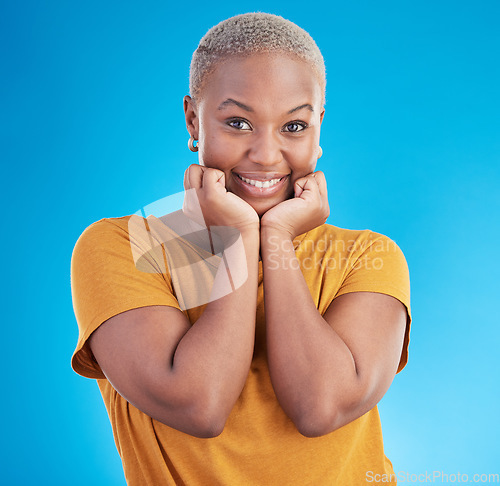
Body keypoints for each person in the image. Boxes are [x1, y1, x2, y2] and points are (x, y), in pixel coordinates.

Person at [71, 12, 411, 485]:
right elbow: (200, 404)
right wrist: (239, 238)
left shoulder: (366, 257)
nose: (267, 155)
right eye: (237, 122)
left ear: (319, 127)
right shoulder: (122, 246)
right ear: (193, 118)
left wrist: (274, 239)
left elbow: (320, 407)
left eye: (293, 127)